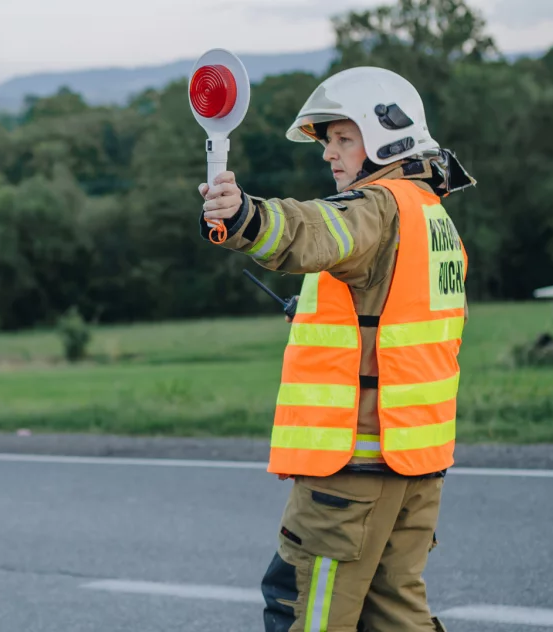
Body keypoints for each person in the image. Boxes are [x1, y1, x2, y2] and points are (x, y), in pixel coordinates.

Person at [197, 66, 477, 632]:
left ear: (386, 136)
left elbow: (311, 228)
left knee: (306, 611)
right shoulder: (432, 216)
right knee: (396, 614)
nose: (329, 153)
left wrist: (245, 215)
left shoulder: (376, 207)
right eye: (328, 141)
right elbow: (396, 322)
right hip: (416, 467)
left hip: (353, 474)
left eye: (343, 138)